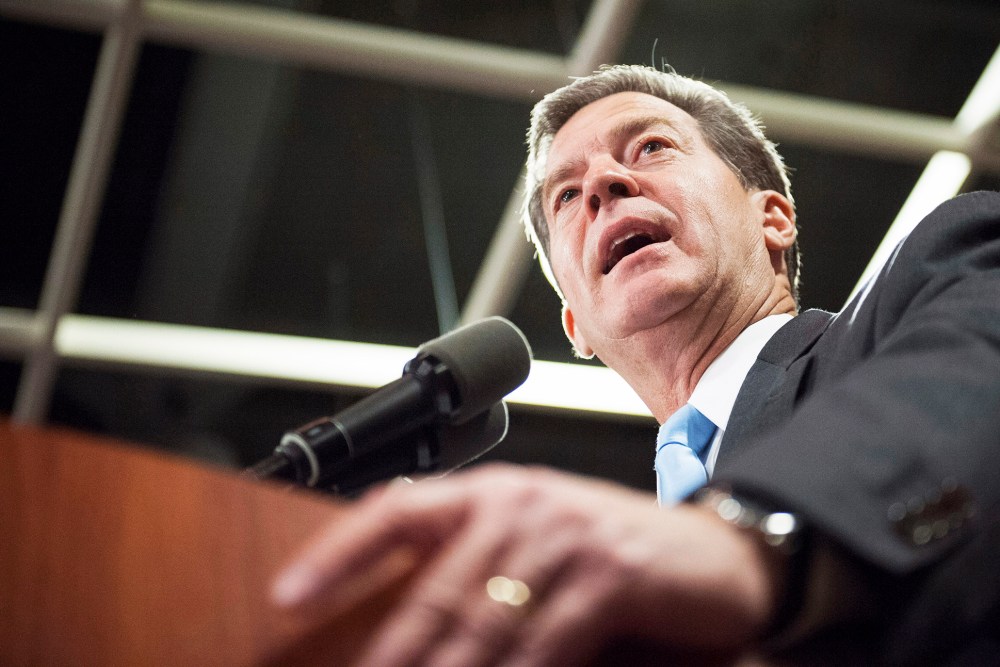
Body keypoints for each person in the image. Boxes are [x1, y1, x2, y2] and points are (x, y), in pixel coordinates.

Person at [269, 65, 1000, 665]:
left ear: (772, 217)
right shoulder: (614, 576)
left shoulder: (924, 283)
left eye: (650, 147)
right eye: (566, 195)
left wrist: (749, 541)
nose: (602, 185)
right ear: (576, 325)